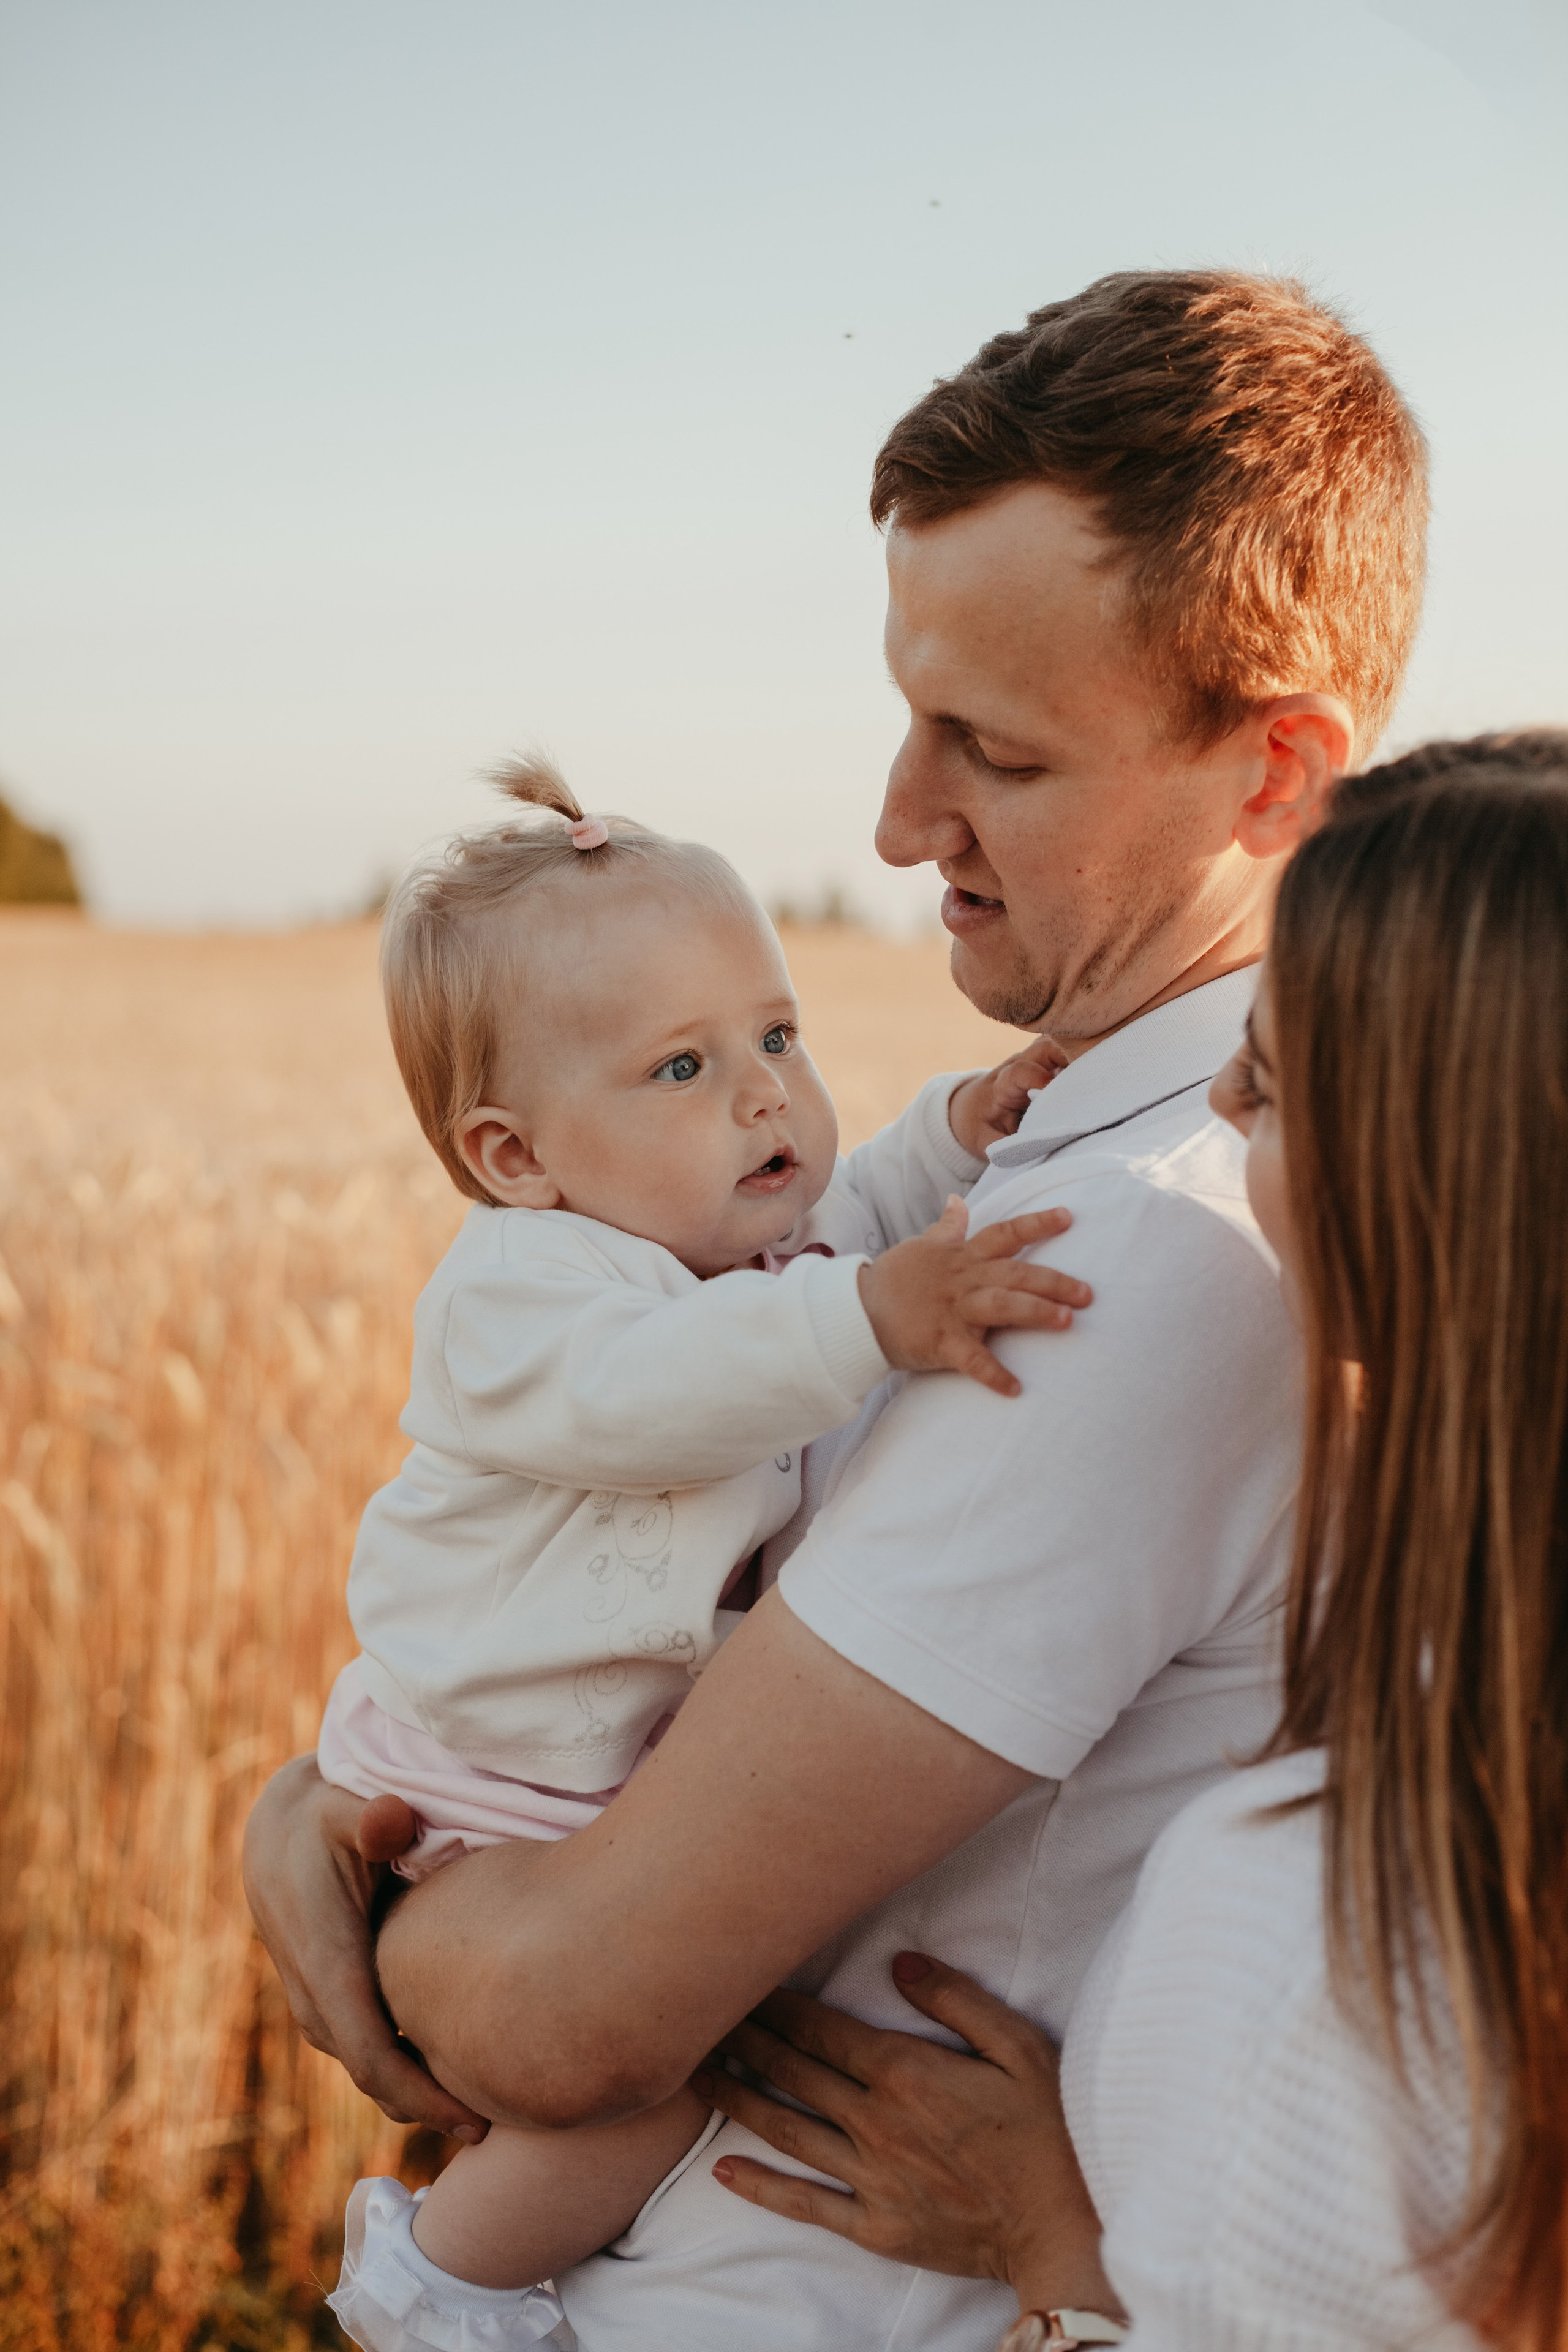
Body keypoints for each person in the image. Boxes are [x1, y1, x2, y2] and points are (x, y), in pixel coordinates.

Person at [244, 270, 1429, 2352]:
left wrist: (337, 1881)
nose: (896, 823)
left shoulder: (1134, 1267)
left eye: (996, 748)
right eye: (907, 711)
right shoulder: (1047, 1171)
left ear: (1272, 772)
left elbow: (572, 2013)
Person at [699, 734, 1568, 2352]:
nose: (1219, 1104)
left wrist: (1061, 2257)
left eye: (1276, 1080)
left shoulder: (1329, 1936)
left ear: (1441, 1181)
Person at [315, 753, 1081, 2343]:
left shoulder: (737, 1235)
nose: (761, 1096)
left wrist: (957, 1128)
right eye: (681, 1068)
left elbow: (853, 1205)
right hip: (489, 1790)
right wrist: (874, 1319)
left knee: (671, 2047)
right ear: (518, 1159)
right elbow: (665, 1397)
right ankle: (434, 2287)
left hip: (598, 1787)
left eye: (779, 1037)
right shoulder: (524, 1300)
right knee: (646, 2084)